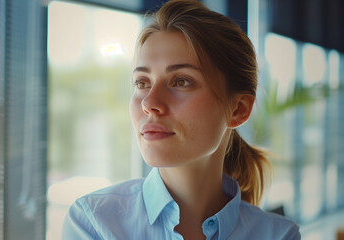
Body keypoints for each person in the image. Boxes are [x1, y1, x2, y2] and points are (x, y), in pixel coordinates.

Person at [62, 0, 300, 239]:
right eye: (142, 83)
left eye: (181, 81)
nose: (149, 103)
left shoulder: (279, 235)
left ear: (238, 109)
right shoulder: (93, 223)